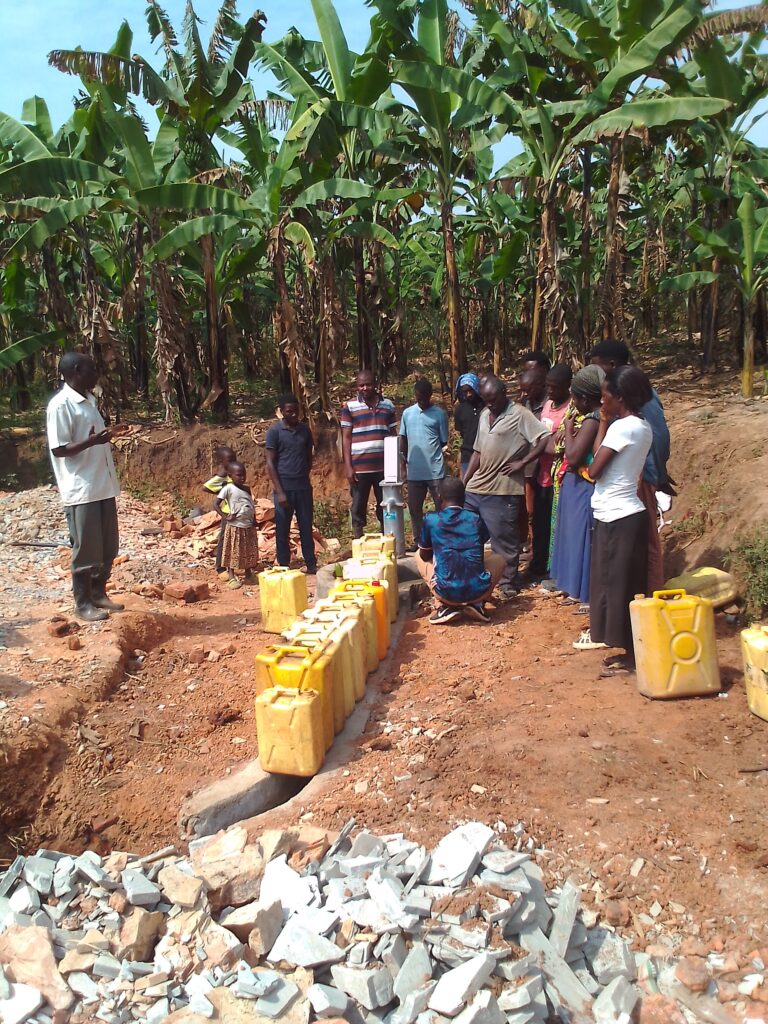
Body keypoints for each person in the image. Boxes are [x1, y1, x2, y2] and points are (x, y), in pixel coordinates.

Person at [577, 366, 654, 672]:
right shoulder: (638, 425)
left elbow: (594, 471)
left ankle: (633, 656)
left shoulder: (625, 429)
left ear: (620, 396)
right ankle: (632, 651)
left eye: (605, 395)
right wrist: (604, 423)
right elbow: (600, 457)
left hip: (617, 516)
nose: (601, 401)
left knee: (615, 586)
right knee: (624, 585)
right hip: (623, 514)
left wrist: (605, 427)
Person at [589, 339, 671, 593]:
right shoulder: (619, 403)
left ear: (612, 365)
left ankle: (651, 594)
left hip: (639, 478)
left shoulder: (640, 398)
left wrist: (655, 475)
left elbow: (660, 437)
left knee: (647, 542)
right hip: (630, 477)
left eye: (598, 367)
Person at [46, 351, 123, 622]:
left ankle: (98, 593)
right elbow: (59, 449)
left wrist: (104, 438)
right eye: (91, 369)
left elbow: (93, 439)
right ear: (77, 370)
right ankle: (82, 603)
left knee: (108, 546)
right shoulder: (61, 405)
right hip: (82, 489)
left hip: (102, 484)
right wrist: (93, 442)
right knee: (86, 548)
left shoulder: (89, 400)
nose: (96, 373)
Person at [463, 375, 550, 598]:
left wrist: (523, 461)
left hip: (502, 489)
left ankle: (507, 581)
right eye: (486, 400)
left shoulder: (520, 414)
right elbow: (477, 451)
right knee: (469, 532)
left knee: (503, 539)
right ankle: (474, 576)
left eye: (493, 399)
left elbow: (543, 438)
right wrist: (464, 481)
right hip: (476, 487)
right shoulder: (484, 415)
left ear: (503, 393)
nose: (489, 404)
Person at [416, 477, 507, 625]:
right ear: (464, 498)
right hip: (478, 590)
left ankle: (444, 606)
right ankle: (477, 604)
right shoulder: (475, 519)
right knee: (498, 560)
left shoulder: (431, 520)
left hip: (447, 593)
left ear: (439, 497)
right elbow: (479, 543)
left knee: (418, 556)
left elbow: (424, 554)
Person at [548, 365, 604, 603]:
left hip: (583, 486)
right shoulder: (595, 418)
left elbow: (573, 456)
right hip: (577, 485)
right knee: (574, 539)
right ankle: (575, 589)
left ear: (583, 398)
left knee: (582, 541)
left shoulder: (592, 420)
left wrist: (570, 430)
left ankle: (584, 593)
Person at [340, 370, 397, 539]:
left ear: (375, 384)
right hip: (360, 467)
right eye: (361, 385)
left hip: (384, 467)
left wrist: (397, 461)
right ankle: (358, 540)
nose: (365, 388)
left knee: (385, 505)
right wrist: (348, 467)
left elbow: (392, 434)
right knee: (358, 506)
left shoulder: (388, 405)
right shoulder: (349, 407)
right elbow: (346, 438)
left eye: (368, 384)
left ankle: (388, 537)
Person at [529, 364, 573, 579]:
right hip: (542, 475)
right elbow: (542, 438)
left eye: (555, 387)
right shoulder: (547, 405)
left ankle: (554, 569)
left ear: (567, 386)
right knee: (540, 524)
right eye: (549, 387)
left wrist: (546, 444)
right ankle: (537, 565)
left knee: (557, 525)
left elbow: (560, 446)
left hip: (560, 477)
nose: (551, 391)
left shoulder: (572, 409)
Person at [265, 394, 317, 575]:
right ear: (281, 412)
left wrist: (302, 475)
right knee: (282, 529)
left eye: (296, 411)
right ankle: (284, 565)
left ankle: (311, 564)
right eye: (289, 411)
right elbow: (270, 463)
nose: (294, 414)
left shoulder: (304, 430)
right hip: (284, 487)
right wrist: (280, 491)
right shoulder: (274, 432)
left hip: (303, 486)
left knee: (305, 526)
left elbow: (309, 457)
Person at [400, 378, 449, 548]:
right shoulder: (407, 414)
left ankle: (439, 539)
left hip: (435, 470)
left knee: (440, 507)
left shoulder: (439, 414)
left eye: (424, 398)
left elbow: (443, 441)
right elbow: (403, 438)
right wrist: (403, 462)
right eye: (418, 398)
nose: (421, 402)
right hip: (414, 470)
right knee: (414, 509)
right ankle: (419, 540)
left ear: (430, 396)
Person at [215, 461, 259, 588]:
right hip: (235, 525)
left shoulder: (247, 489)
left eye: (244, 475)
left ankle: (248, 573)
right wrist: (225, 516)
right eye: (239, 475)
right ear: (230, 476)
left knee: (247, 550)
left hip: (248, 525)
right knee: (234, 550)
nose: (242, 478)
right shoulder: (228, 488)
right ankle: (232, 575)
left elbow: (250, 505)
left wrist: (254, 519)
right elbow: (216, 504)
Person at [203, 445, 236, 576]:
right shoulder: (222, 477)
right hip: (228, 512)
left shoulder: (235, 473)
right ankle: (220, 566)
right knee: (224, 539)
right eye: (229, 460)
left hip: (238, 513)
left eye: (234, 459)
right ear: (222, 462)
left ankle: (236, 563)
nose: (233, 462)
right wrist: (221, 493)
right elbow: (206, 487)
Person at [453, 373, 483, 477]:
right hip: (467, 455)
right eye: (465, 392)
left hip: (486, 455)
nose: (469, 394)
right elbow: (461, 432)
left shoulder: (486, 407)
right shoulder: (460, 410)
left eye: (471, 390)